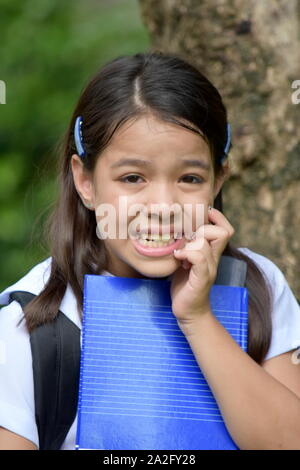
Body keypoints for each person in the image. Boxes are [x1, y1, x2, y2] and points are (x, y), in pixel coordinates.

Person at [0, 51, 300, 451]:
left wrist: (198, 318)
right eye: (133, 177)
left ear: (218, 180)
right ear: (85, 181)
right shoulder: (30, 324)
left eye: (190, 178)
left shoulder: (257, 286)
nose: (163, 205)